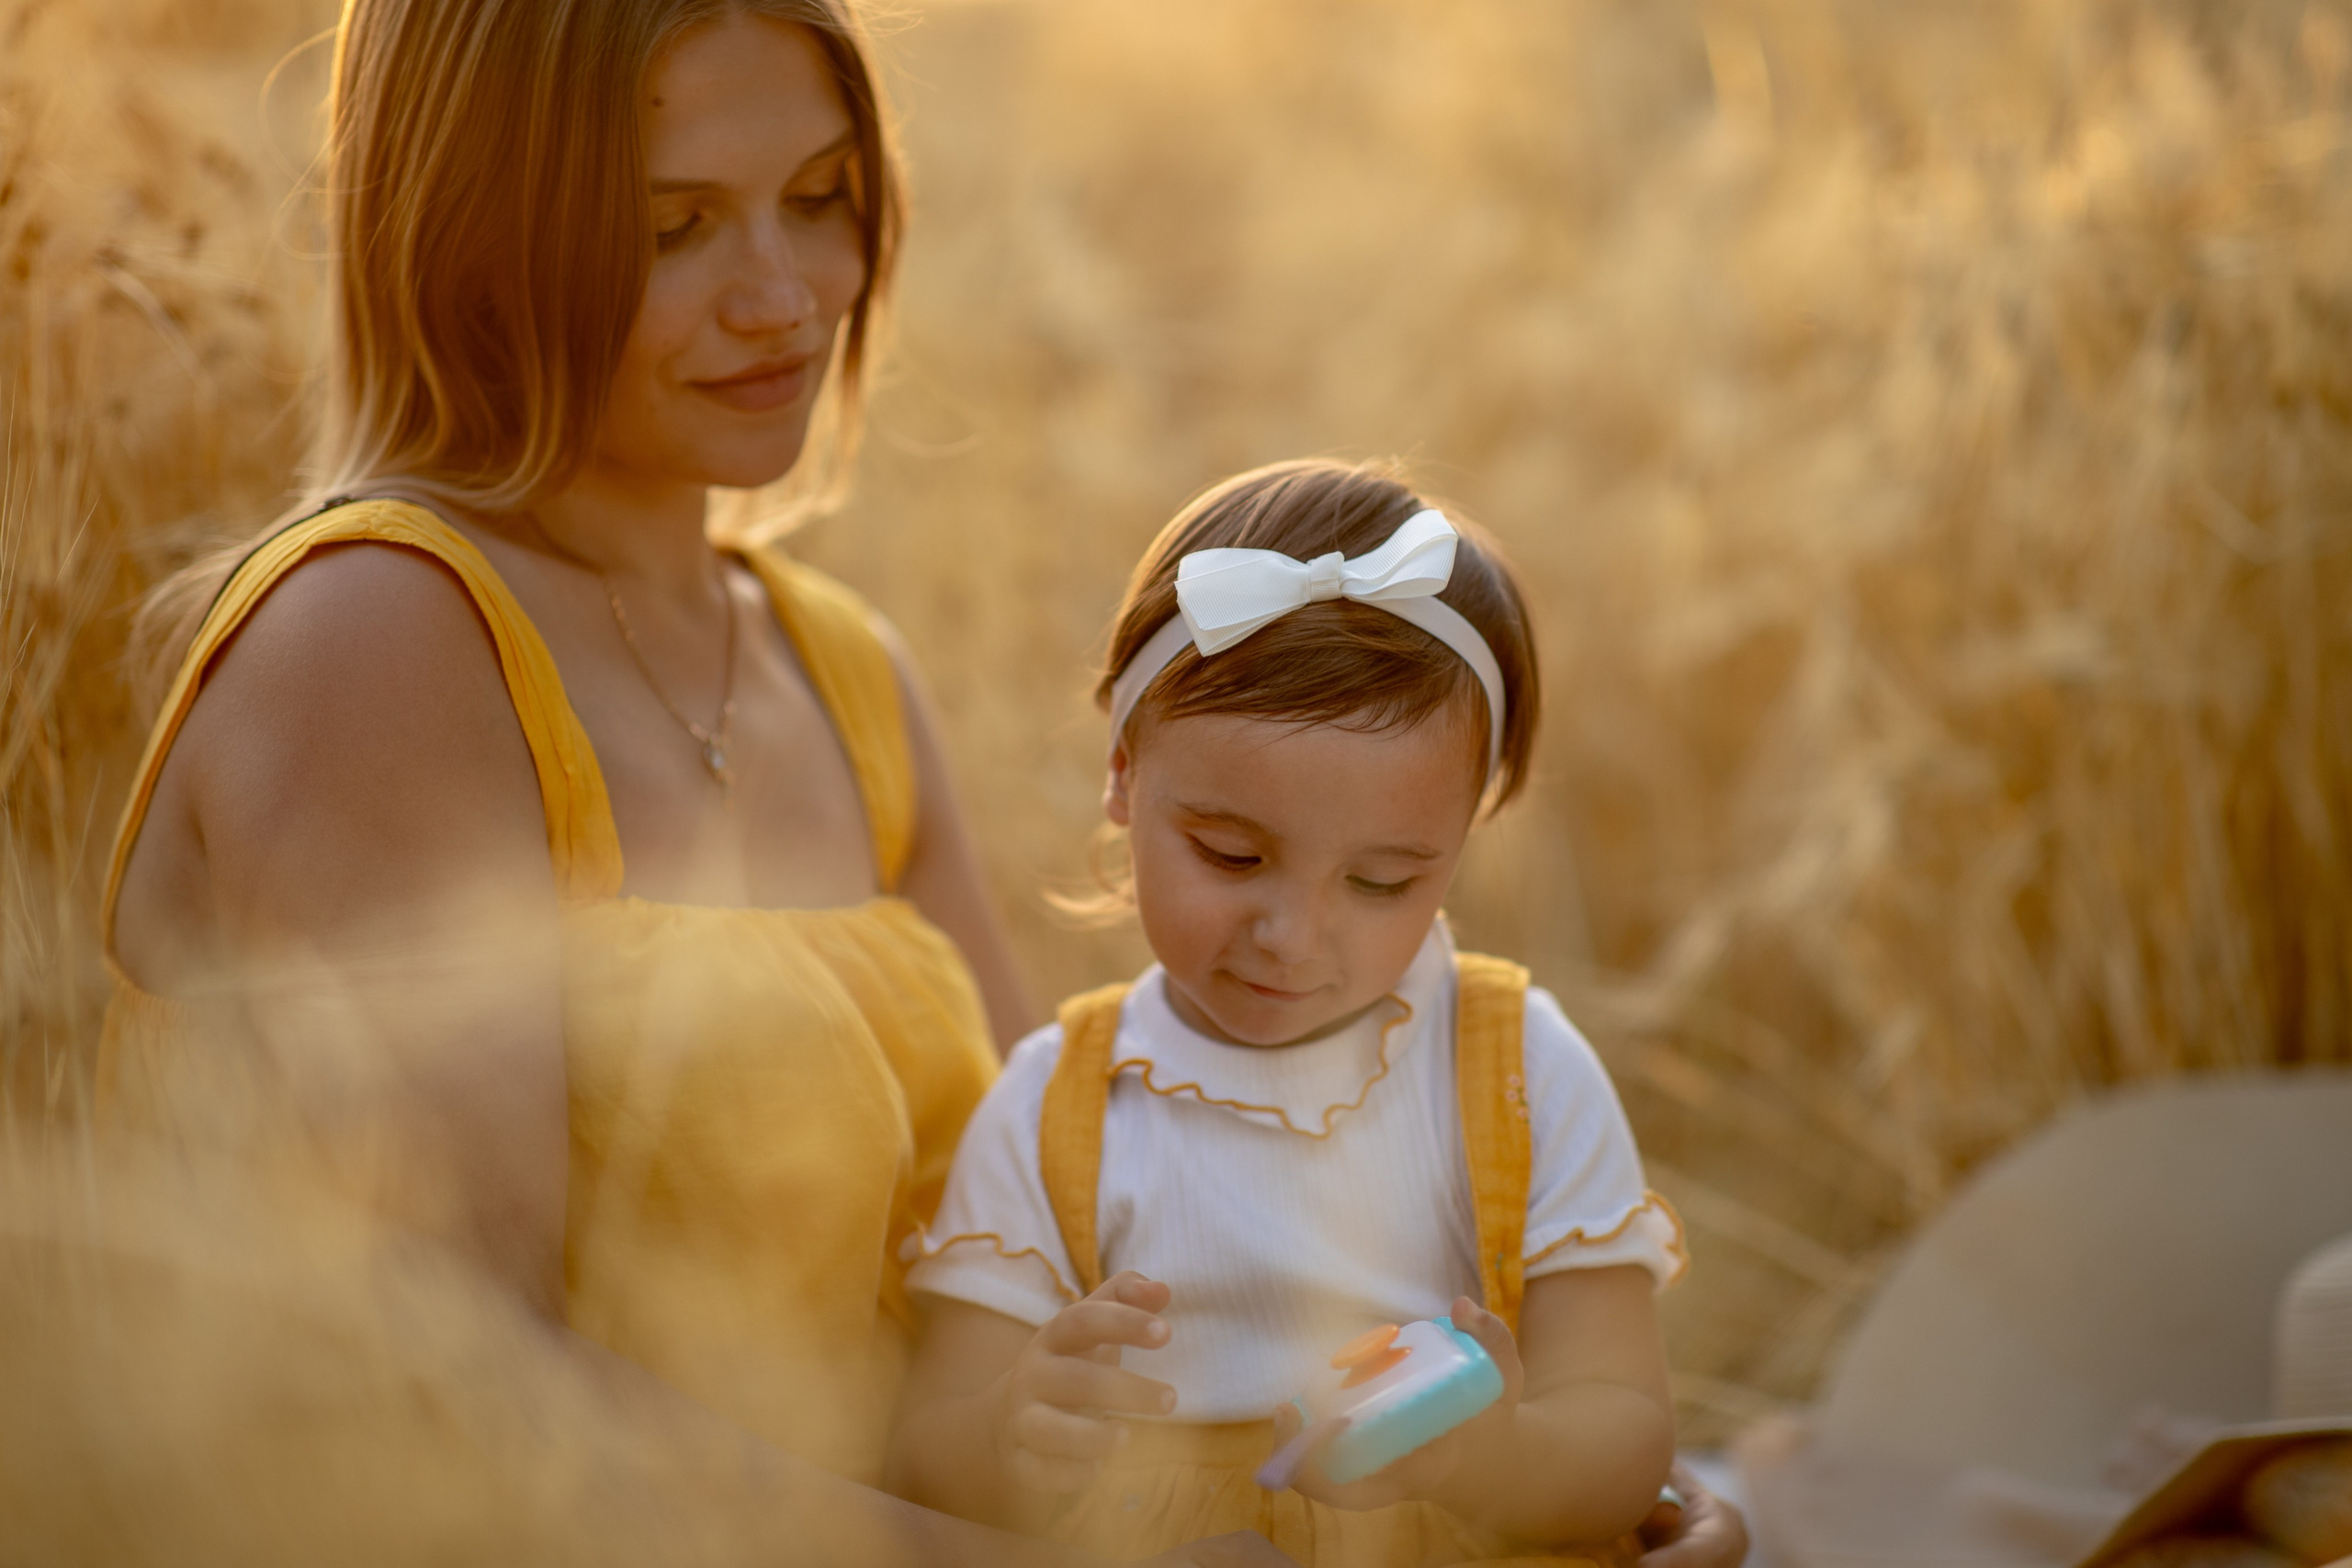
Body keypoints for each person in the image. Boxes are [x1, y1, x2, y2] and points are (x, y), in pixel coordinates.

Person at [888, 460, 1689, 1566]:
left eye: (1380, 883)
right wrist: (1014, 1428)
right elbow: (930, 1444)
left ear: (1459, 841)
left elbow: (1623, 1422)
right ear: (1123, 776)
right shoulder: (1054, 1106)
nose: (1292, 936)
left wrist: (1492, 1459)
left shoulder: (1516, 1071)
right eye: (1230, 854)